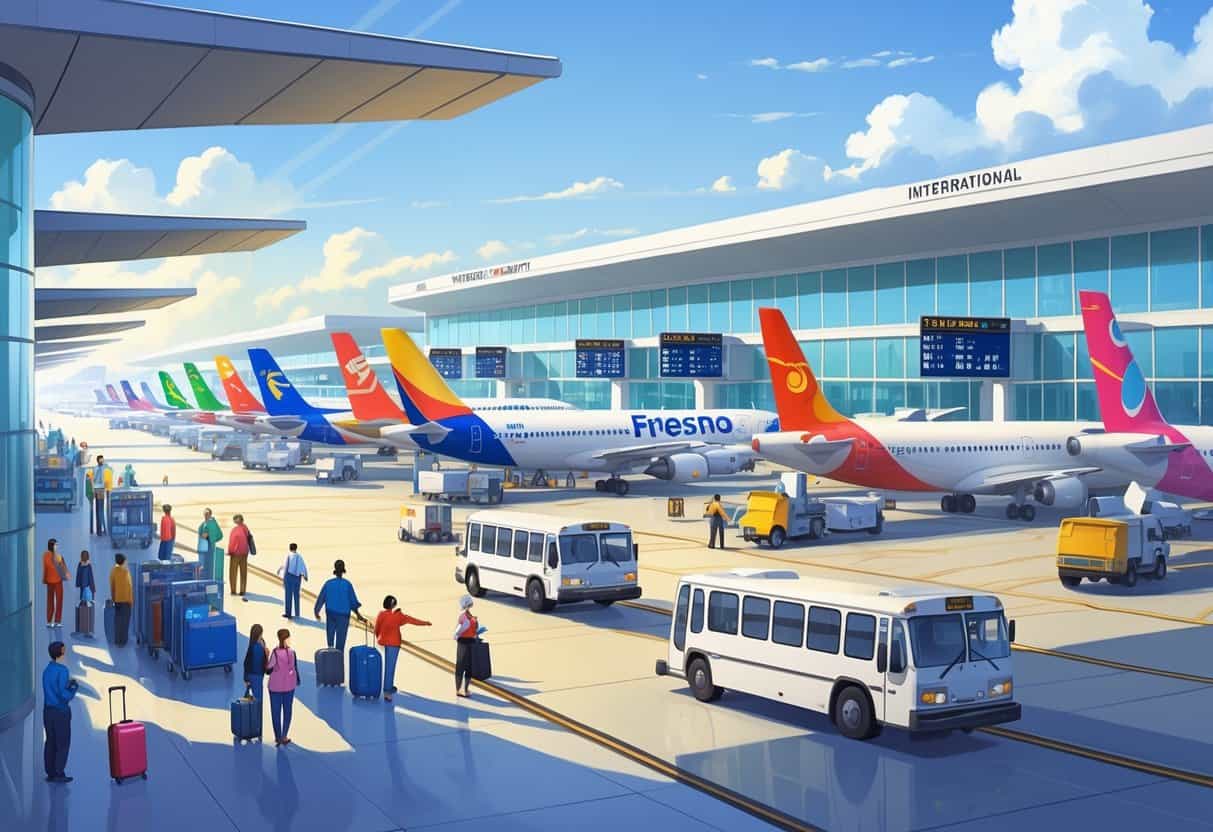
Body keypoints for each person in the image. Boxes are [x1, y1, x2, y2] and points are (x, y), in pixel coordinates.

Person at [374, 595, 431, 702]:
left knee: (387, 666)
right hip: (394, 644)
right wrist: (425, 623)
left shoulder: (381, 614)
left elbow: (377, 628)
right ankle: (387, 691)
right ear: (393, 604)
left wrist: (379, 638)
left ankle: (388, 686)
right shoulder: (398, 616)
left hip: (384, 641)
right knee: (390, 668)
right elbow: (412, 620)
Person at [42, 641, 77, 783]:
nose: (65, 653)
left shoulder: (47, 669)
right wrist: (73, 688)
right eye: (64, 651)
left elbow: (52, 689)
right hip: (60, 712)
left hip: (47, 711)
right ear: (60, 654)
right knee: (63, 743)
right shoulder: (63, 670)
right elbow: (64, 695)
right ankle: (59, 773)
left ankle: (50, 772)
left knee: (50, 741)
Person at [313, 560, 366, 653]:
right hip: (343, 615)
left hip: (331, 613)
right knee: (341, 639)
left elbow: (321, 597)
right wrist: (358, 615)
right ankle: (338, 658)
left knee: (330, 635)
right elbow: (352, 601)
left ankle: (330, 655)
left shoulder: (328, 583)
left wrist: (316, 611)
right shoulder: (347, 584)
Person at [265, 629, 298, 747]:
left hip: (275, 687)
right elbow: (294, 668)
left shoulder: (275, 653)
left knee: (276, 712)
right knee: (288, 711)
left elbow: (268, 670)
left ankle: (278, 737)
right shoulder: (292, 652)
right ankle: (284, 735)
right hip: (289, 686)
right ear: (287, 638)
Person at [453, 595, 479, 698]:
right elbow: (457, 632)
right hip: (466, 643)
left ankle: (462, 689)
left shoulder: (467, 617)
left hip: (466, 642)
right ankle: (461, 689)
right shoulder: (464, 617)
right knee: (463, 666)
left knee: (465, 667)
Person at [41, 539, 69, 628]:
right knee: (59, 600)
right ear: (52, 546)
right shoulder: (59, 557)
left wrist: (44, 579)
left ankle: (49, 621)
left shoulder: (45, 556)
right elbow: (64, 570)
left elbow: (45, 569)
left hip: (49, 581)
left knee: (49, 600)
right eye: (56, 545)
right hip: (58, 581)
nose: (57, 546)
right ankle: (57, 621)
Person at [276, 543, 308, 619]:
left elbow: (285, 565)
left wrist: (280, 571)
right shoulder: (299, 557)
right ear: (296, 548)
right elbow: (303, 567)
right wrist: (305, 576)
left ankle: (288, 613)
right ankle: (297, 613)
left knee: (288, 595)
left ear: (290, 548)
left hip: (289, 577)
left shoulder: (289, 555)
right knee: (296, 595)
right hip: (297, 578)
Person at [109, 553, 133, 646]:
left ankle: (117, 640)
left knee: (118, 621)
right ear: (123, 561)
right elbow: (129, 587)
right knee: (125, 621)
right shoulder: (126, 572)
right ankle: (123, 641)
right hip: (126, 601)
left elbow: (112, 586)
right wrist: (131, 601)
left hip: (117, 600)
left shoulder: (113, 571)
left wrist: (113, 599)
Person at [243, 624, 268, 713]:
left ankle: (254, 717)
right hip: (257, 676)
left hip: (252, 675)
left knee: (254, 698)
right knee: (258, 700)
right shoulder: (258, 646)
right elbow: (264, 662)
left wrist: (246, 678)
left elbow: (246, 663)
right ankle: (257, 720)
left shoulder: (253, 646)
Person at [227, 514, 252, 600]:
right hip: (244, 553)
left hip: (236, 554)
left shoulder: (235, 530)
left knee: (233, 572)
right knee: (243, 572)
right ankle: (242, 590)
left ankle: (233, 590)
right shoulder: (246, 528)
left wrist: (230, 551)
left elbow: (232, 542)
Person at [197, 508, 223, 584]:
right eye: (204, 513)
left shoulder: (211, 523)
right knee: (205, 566)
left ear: (210, 514)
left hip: (208, 548)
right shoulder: (206, 522)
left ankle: (206, 583)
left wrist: (210, 538)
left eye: (207, 513)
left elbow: (218, 535)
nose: (205, 515)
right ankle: (206, 582)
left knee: (206, 566)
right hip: (204, 547)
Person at [93, 455, 113, 535]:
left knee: (98, 510)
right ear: (99, 461)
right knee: (100, 510)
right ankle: (103, 529)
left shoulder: (96, 468)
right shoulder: (104, 468)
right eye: (102, 460)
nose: (102, 461)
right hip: (101, 489)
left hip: (97, 489)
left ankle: (100, 530)